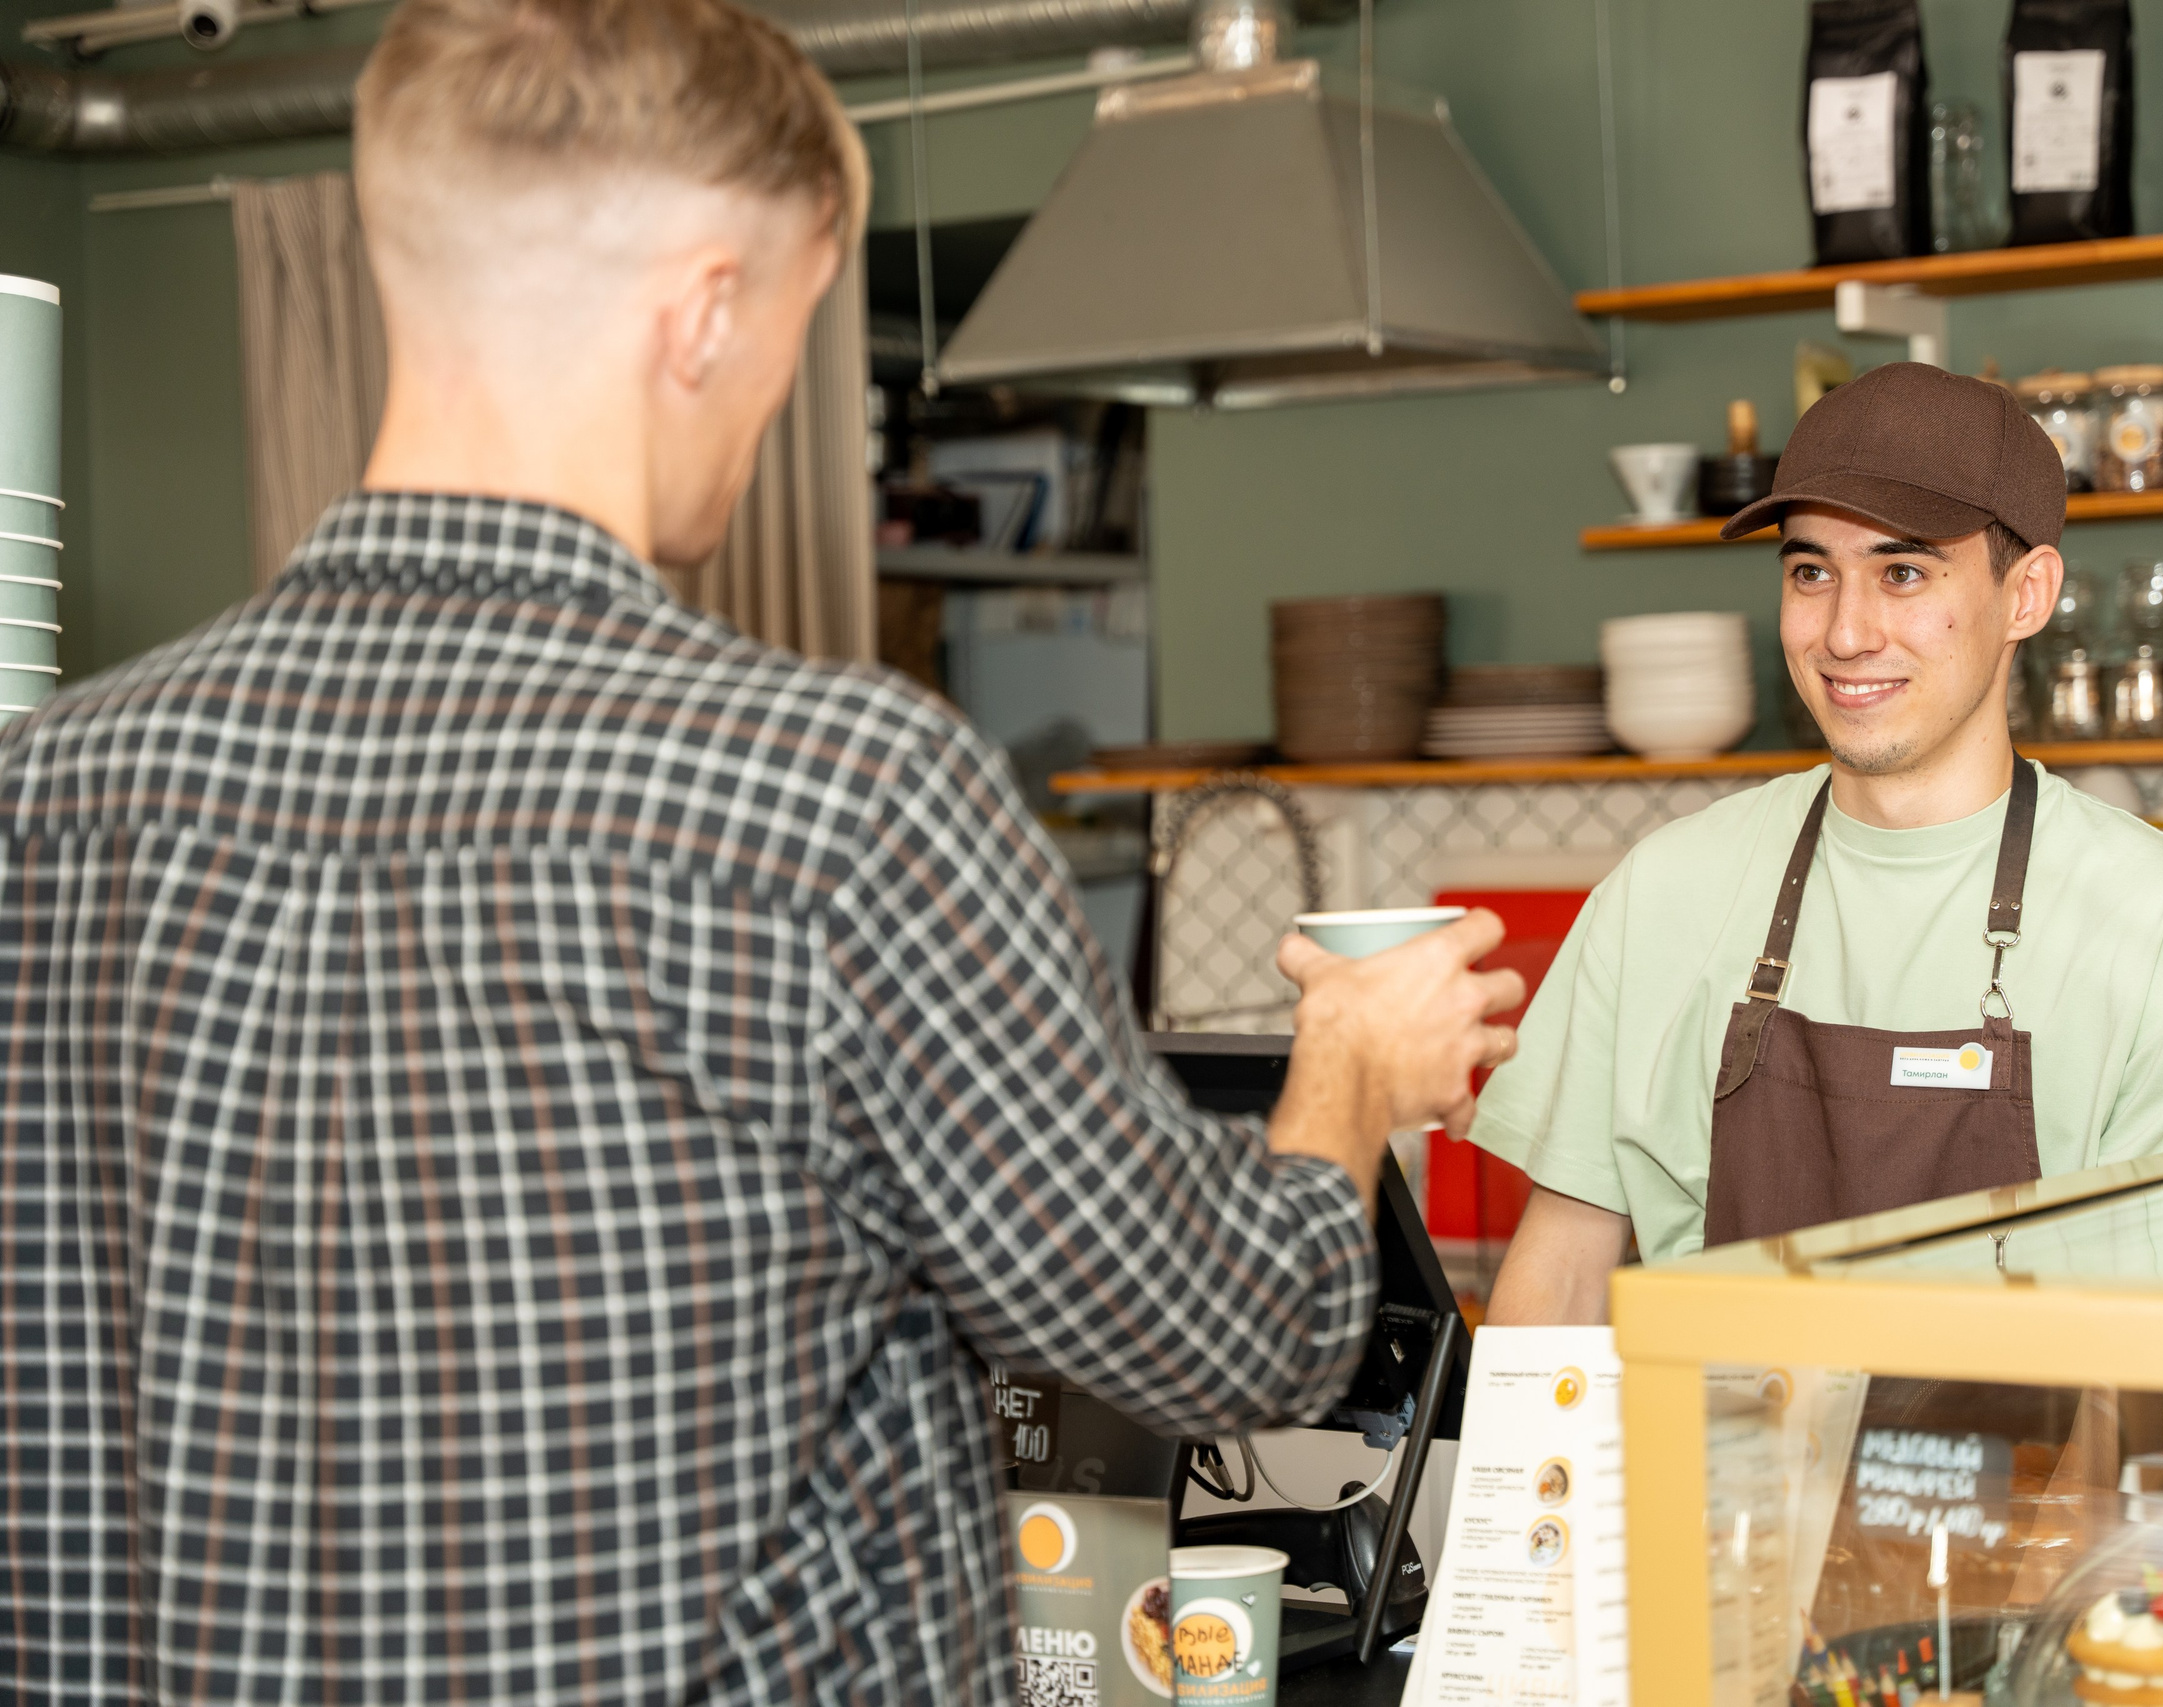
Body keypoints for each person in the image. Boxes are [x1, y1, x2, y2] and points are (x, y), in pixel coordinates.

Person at [0, 0, 1524, 1699]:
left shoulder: (48, 793)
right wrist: (1352, 1072)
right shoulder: (836, 798)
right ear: (708, 310)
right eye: (800, 323)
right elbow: (1218, 1338)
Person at [1479, 363, 2163, 1325]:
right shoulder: (1662, 894)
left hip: (2035, 1478)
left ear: (2026, 595)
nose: (1844, 631)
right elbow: (1561, 1274)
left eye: (1902, 572)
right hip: (1710, 1469)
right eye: (1811, 572)